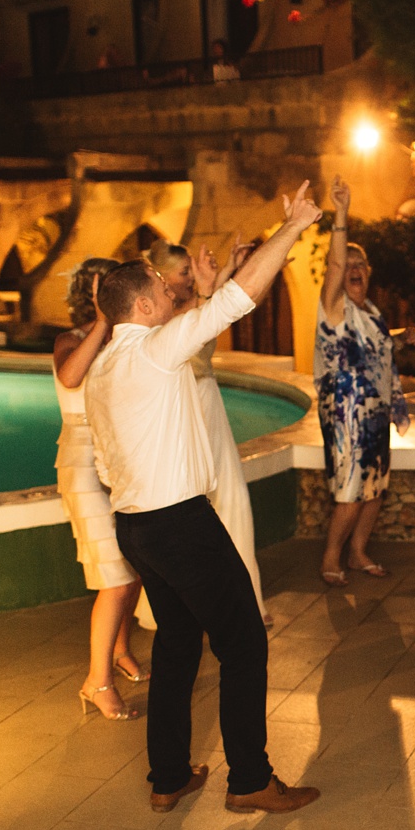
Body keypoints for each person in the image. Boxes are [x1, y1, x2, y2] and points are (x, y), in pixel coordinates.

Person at [85, 184, 324, 815]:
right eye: (165, 289)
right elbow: (239, 301)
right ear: (141, 303)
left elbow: (108, 461)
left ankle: (167, 776)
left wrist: (211, 288)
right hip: (178, 525)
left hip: (135, 526)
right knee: (244, 641)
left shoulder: (105, 368)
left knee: (177, 643)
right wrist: (293, 226)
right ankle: (250, 780)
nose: (174, 292)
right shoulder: (156, 353)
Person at [146, 237, 273, 628]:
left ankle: (245, 595)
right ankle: (187, 604)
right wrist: (216, 281)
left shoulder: (191, 304)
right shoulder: (159, 317)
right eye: (182, 272)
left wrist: (233, 267)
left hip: (207, 403)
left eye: (190, 272)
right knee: (190, 502)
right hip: (184, 408)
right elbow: (201, 314)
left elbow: (220, 306)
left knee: (230, 498)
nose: (188, 279)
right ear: (161, 276)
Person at [53, 257, 146, 721]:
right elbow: (71, 377)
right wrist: (104, 321)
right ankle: (97, 681)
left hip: (121, 459)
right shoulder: (70, 341)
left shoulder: (129, 343)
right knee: (116, 577)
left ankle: (121, 648)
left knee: (132, 565)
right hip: (83, 462)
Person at [315, 176, 411, 586]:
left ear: (369, 274)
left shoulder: (371, 312)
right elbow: (335, 265)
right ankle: (330, 558)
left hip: (374, 415)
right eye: (348, 265)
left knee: (375, 489)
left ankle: (357, 553)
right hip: (345, 415)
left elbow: (381, 361)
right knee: (352, 490)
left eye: (360, 265)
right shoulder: (333, 308)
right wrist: (341, 212)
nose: (353, 270)